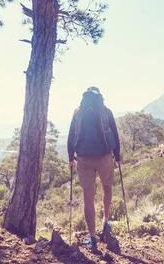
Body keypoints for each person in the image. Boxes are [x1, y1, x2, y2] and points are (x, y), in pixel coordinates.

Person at [67, 86, 122, 251]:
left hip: (83, 158)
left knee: (88, 197)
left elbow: (71, 135)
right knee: (107, 187)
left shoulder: (78, 112)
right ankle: (105, 222)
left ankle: (92, 238)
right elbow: (115, 133)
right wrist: (117, 154)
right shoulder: (106, 111)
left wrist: (71, 157)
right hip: (105, 156)